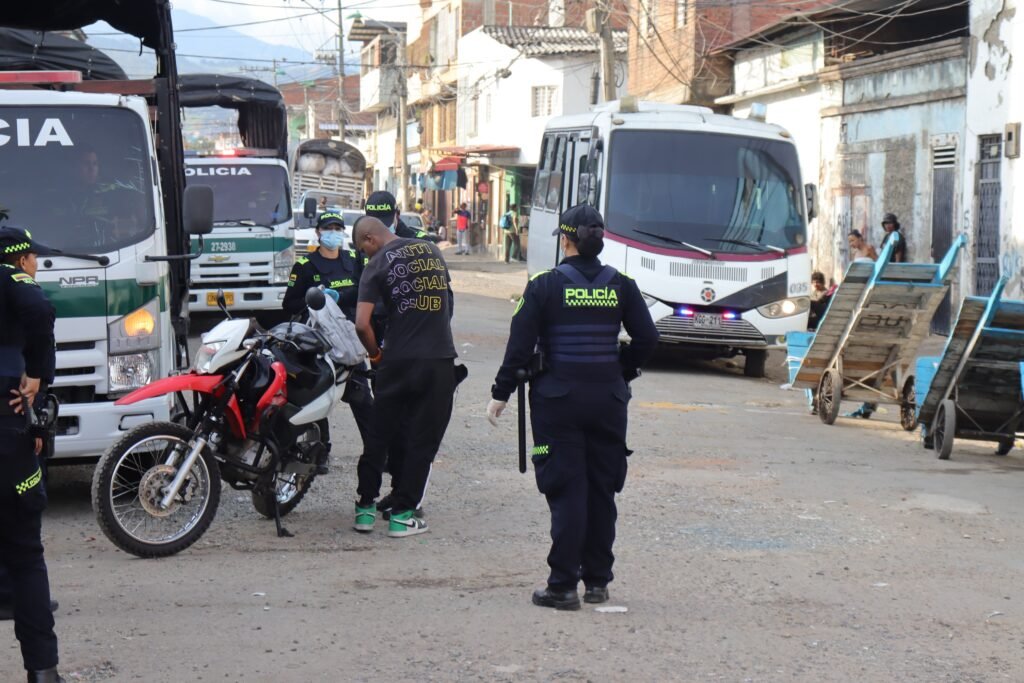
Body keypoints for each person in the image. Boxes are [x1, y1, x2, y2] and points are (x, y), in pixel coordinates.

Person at [486, 205, 658, 610]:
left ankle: (562, 586)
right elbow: (648, 339)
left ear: (565, 239)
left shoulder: (544, 285)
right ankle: (597, 582)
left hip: (557, 401)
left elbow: (519, 346)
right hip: (608, 401)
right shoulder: (622, 284)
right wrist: (622, 372)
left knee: (567, 491)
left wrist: (501, 392)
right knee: (602, 490)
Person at [350, 217, 457, 538]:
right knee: (423, 441)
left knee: (379, 436)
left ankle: (365, 510)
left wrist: (375, 355)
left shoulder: (376, 265)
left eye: (362, 249)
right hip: (438, 360)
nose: (364, 255)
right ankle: (403, 516)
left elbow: (361, 324)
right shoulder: (432, 251)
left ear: (370, 238)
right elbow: (447, 303)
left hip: (395, 361)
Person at [0, 226, 64, 682]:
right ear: (21, 260)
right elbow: (40, 309)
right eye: (33, 259)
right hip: (7, 431)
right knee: (26, 557)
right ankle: (42, 672)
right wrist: (38, 374)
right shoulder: (12, 279)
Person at [282, 211, 370, 475]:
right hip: (320, 343)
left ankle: (377, 451)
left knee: (363, 400)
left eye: (337, 228)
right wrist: (314, 298)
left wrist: (339, 297)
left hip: (351, 340)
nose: (332, 233)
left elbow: (366, 291)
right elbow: (289, 305)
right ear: (318, 233)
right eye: (327, 228)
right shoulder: (306, 266)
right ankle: (320, 452)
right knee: (317, 399)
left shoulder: (354, 260)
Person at [364, 190, 428, 240]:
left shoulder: (418, 240)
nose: (380, 229)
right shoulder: (362, 241)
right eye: (374, 225)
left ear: (397, 215)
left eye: (385, 224)